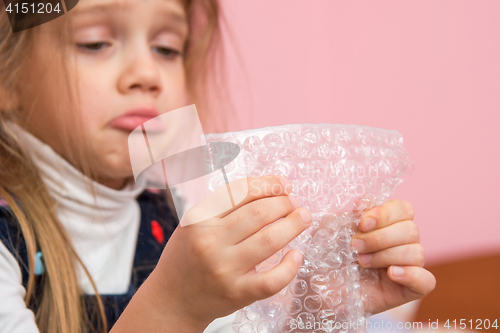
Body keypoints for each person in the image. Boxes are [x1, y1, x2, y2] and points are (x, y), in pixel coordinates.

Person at [0, 0, 436, 332]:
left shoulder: (184, 214)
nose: (146, 72)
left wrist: (319, 310)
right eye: (95, 42)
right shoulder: (8, 244)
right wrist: (175, 306)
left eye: (167, 48)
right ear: (8, 78)